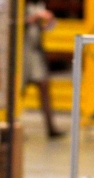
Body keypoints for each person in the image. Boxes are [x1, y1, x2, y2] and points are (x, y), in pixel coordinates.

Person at [24, 1, 63, 138]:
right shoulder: (19, 5)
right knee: (16, 90)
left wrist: (50, 21)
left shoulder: (40, 4)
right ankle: (13, 126)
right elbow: (12, 25)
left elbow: (50, 26)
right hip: (21, 52)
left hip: (35, 52)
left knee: (44, 87)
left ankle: (50, 127)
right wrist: (31, 19)